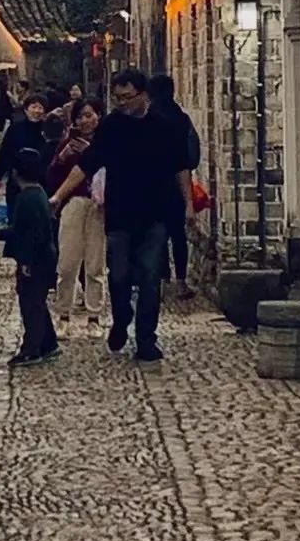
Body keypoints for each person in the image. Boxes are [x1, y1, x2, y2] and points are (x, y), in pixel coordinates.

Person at [48, 68, 193, 362]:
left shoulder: (165, 126)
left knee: (151, 276)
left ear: (143, 95)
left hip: (156, 213)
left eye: (127, 97)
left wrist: (188, 204)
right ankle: (122, 317)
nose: (122, 103)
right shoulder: (112, 126)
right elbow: (87, 164)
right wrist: (59, 196)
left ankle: (146, 339)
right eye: (117, 98)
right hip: (120, 213)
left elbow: (181, 167)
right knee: (119, 275)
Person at [0, 147, 60, 367]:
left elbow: (30, 234)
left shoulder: (27, 199)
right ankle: (48, 342)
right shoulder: (38, 194)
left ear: (15, 173)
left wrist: (26, 261)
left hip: (36, 260)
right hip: (45, 257)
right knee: (37, 301)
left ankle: (32, 348)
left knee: (31, 304)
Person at [46, 98, 106, 337]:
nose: (85, 121)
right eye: (80, 117)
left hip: (99, 205)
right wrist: (62, 158)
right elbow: (51, 177)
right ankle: (63, 315)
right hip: (73, 203)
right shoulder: (67, 143)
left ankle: (94, 317)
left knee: (95, 264)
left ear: (98, 115)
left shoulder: (106, 142)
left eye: (89, 115)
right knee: (67, 263)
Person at [148, 74, 200, 301]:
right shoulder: (181, 119)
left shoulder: (147, 119)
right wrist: (189, 202)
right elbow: (191, 157)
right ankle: (180, 282)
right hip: (175, 187)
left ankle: (159, 279)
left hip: (150, 187)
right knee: (178, 235)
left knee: (155, 235)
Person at [0, 93, 50, 221]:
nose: (37, 111)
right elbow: (5, 152)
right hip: (17, 179)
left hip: (40, 180)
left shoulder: (47, 130)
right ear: (26, 110)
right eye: (34, 107)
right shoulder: (15, 128)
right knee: (15, 214)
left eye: (40, 108)